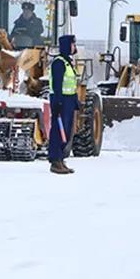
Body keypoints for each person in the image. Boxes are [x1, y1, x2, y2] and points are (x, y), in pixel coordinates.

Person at [48, 34, 79, 175]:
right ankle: (55, 160)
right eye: (72, 44)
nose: (74, 47)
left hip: (69, 100)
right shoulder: (59, 63)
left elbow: (71, 84)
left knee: (66, 132)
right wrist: (59, 102)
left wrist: (75, 101)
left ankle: (61, 159)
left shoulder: (67, 62)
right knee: (58, 131)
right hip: (61, 101)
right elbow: (57, 83)